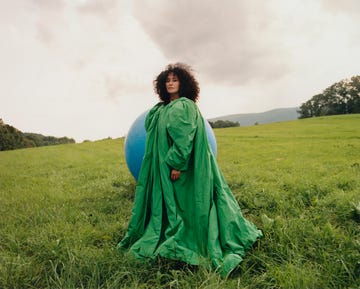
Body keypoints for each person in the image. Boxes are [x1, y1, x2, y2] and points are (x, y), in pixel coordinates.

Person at [117, 63, 263, 276]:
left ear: (183, 83)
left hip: (181, 168)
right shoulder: (163, 109)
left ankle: (192, 238)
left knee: (188, 203)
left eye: (174, 80)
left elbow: (184, 138)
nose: (170, 83)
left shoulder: (183, 106)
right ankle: (178, 233)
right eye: (167, 80)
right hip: (165, 166)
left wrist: (177, 164)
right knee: (178, 203)